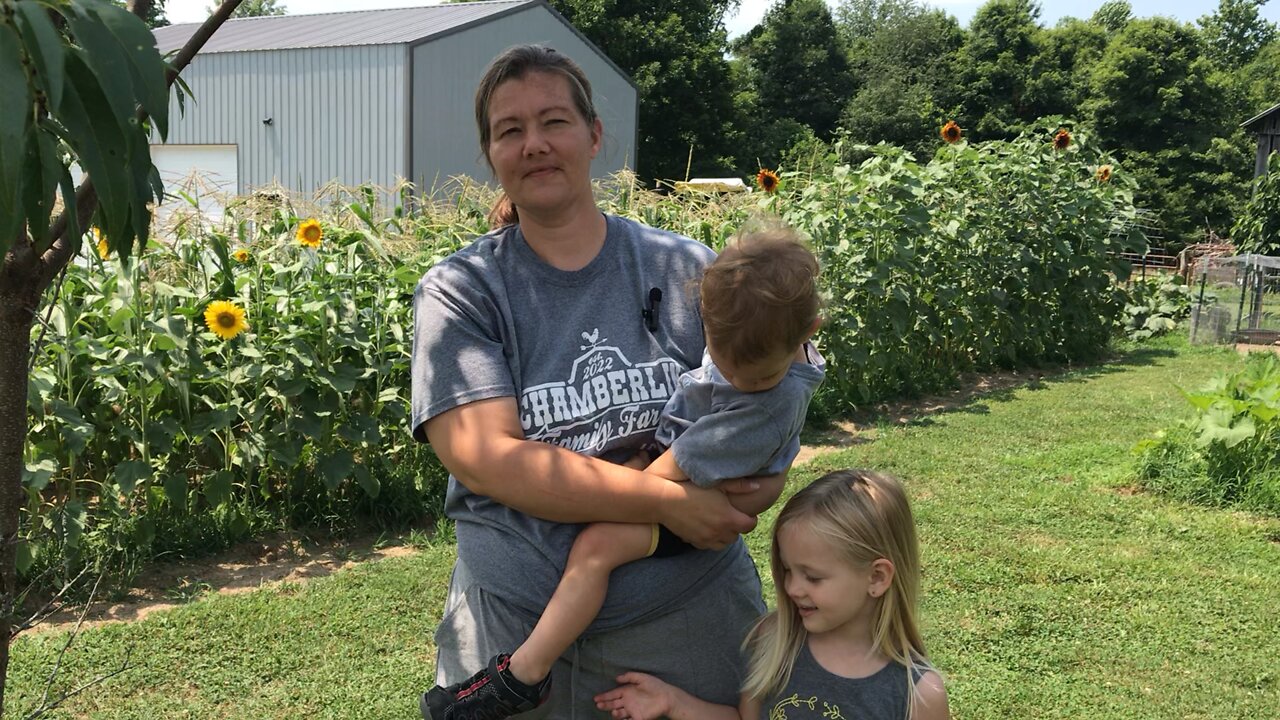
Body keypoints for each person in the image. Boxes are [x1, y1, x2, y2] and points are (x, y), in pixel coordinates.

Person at [411, 44, 786, 719]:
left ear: (594, 135)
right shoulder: (462, 291)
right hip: (511, 631)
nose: (534, 145)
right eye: (510, 130)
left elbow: (757, 407)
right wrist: (669, 504)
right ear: (490, 154)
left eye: (554, 122)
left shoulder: (686, 269)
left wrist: (758, 480)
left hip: (689, 626)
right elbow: (491, 461)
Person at [421, 229, 826, 720]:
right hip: (690, 476)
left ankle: (523, 674)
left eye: (755, 379)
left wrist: (632, 486)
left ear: (812, 331)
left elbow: (674, 470)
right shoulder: (753, 322)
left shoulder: (766, 403)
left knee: (595, 550)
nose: (740, 382)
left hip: (705, 492)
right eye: (723, 362)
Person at [592, 469, 951, 720]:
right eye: (788, 571)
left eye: (813, 577)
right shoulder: (775, 640)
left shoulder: (917, 694)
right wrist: (672, 701)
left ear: (877, 577)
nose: (793, 588)